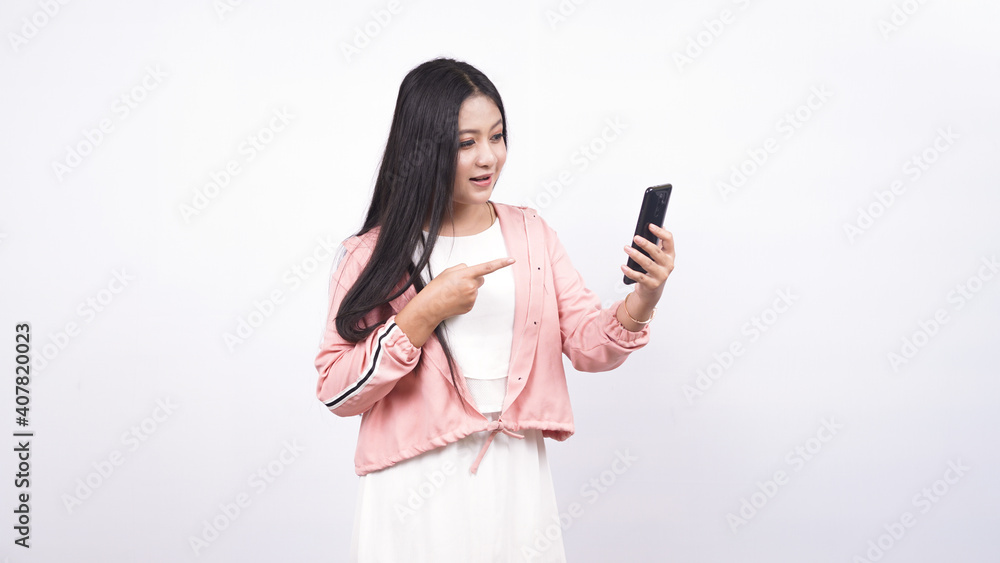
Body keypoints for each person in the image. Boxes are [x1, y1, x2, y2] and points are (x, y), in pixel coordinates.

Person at [314, 57, 675, 562]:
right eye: (466, 143)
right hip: (411, 489)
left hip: (515, 475)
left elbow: (591, 349)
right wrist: (422, 313)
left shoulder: (531, 234)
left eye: (497, 136)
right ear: (423, 148)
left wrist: (644, 299)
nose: (488, 157)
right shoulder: (370, 256)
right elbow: (336, 391)